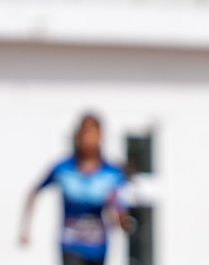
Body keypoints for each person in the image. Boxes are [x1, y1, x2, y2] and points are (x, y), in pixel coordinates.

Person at [20, 113, 131, 265]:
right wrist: (25, 229)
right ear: (78, 135)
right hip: (70, 244)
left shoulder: (112, 173)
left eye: (92, 133)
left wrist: (120, 217)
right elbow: (34, 191)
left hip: (98, 246)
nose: (88, 139)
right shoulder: (63, 169)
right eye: (85, 132)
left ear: (100, 136)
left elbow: (120, 215)